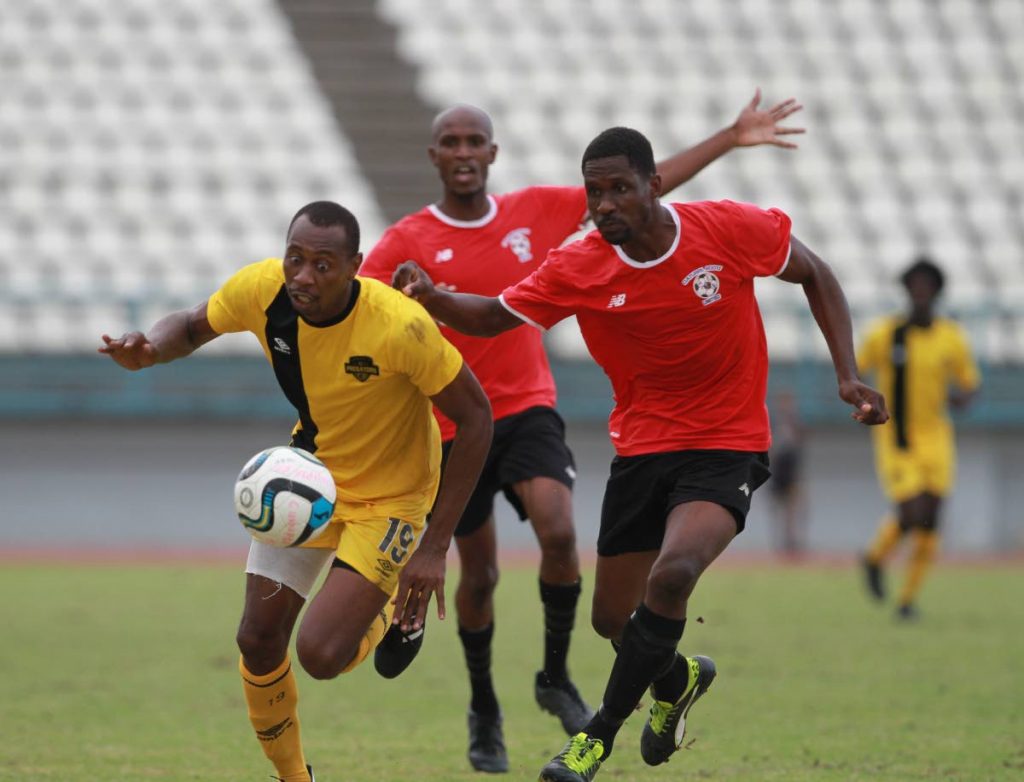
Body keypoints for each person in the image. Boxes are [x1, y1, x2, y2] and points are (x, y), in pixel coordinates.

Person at [391, 126, 888, 782]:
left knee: (674, 574)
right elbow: (491, 317)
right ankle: (677, 677)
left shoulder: (728, 229)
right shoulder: (580, 264)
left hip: (726, 444)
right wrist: (432, 297)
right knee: (612, 621)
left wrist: (846, 373)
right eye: (594, 192)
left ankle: (594, 739)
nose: (604, 205)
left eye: (619, 189)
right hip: (642, 450)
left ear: (654, 185)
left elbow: (815, 271)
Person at [98, 201, 493, 782]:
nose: (304, 275)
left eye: (324, 264)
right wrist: (151, 348)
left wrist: (434, 549)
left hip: (394, 499)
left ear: (356, 266)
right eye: (295, 258)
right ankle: (294, 778)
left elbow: (478, 416)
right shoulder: (264, 290)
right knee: (257, 638)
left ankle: (389, 613)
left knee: (321, 656)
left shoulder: (400, 325)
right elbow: (189, 325)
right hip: (311, 482)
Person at [859, 257, 980, 620]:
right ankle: (875, 558)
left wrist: (962, 398)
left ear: (937, 291)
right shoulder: (885, 333)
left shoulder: (950, 336)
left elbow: (969, 384)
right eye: (915, 285)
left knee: (932, 521)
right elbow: (855, 370)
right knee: (913, 513)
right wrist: (864, 402)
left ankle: (907, 601)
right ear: (907, 290)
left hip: (937, 437)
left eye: (928, 285)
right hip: (897, 437)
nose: (921, 291)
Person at [767, 389, 806, 555]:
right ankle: (781, 541)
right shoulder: (772, 423)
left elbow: (800, 444)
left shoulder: (794, 422)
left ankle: (792, 540)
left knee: (795, 507)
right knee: (779, 508)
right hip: (777, 471)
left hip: (791, 471)